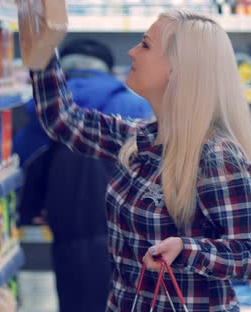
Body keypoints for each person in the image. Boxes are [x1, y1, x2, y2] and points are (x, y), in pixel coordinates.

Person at [30, 9, 251, 311]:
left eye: (145, 44)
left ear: (177, 69)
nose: (131, 52)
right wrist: (42, 40)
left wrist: (186, 249)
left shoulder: (217, 157)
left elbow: (248, 256)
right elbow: (62, 120)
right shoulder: (140, 138)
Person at [14, 39, 153, 311]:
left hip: (70, 234)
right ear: (107, 69)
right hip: (132, 239)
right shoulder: (134, 106)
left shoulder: (46, 108)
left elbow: (24, 160)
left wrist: (28, 211)